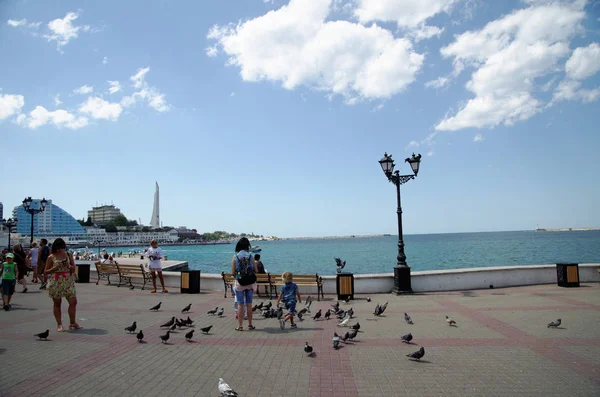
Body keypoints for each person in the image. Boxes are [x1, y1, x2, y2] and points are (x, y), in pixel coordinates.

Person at [44, 238, 81, 332]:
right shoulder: (51, 257)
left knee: (73, 302)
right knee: (57, 303)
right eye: (58, 248)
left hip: (67, 281)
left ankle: (72, 323)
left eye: (62, 248)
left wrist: (69, 266)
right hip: (56, 281)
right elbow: (45, 271)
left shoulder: (68, 255)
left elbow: (73, 267)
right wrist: (54, 268)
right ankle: (59, 324)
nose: (60, 250)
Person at [231, 237, 258, 331]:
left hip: (240, 283)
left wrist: (239, 274)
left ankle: (240, 326)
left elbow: (233, 272)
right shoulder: (251, 256)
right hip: (250, 283)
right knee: (249, 304)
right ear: (247, 246)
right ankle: (250, 325)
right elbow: (256, 270)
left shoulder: (235, 257)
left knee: (240, 304)